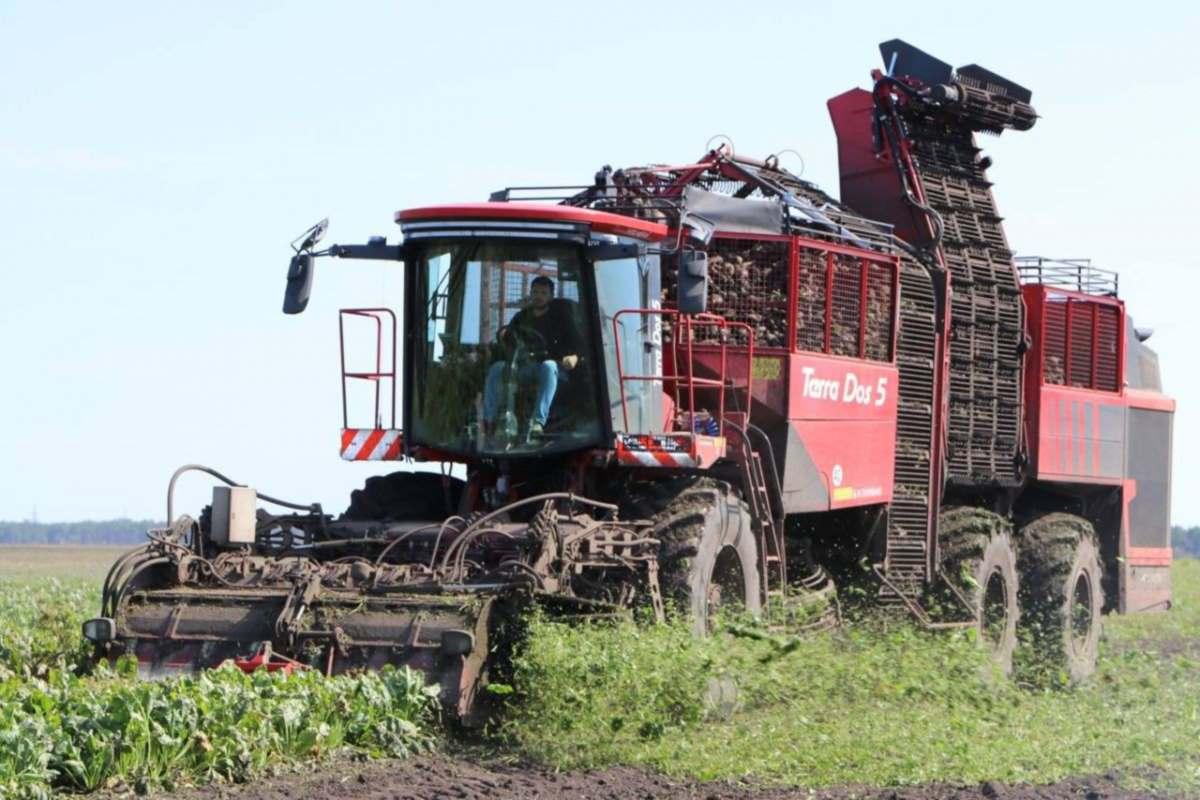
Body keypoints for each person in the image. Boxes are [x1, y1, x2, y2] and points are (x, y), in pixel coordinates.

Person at [482, 275, 581, 440]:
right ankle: (489, 421)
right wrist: (502, 334)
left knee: (548, 366)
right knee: (497, 368)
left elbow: (577, 344)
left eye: (543, 293)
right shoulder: (522, 316)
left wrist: (574, 357)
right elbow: (507, 335)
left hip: (554, 369)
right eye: (535, 292)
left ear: (551, 296)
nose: (538, 296)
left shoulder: (561, 318)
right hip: (525, 367)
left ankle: (537, 422)